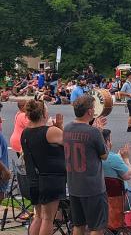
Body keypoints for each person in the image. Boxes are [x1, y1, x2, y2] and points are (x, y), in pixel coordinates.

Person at [63, 94, 109, 235]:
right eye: (93, 108)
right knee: (97, 227)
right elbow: (104, 155)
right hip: (92, 187)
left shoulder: (67, 128)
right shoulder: (94, 132)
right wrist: (100, 132)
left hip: (74, 185)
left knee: (78, 225)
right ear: (89, 111)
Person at [21, 99, 66, 235]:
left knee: (39, 216)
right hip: (51, 179)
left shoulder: (25, 132)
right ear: (44, 114)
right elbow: (70, 145)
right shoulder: (51, 131)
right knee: (48, 219)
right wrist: (60, 127)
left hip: (34, 179)